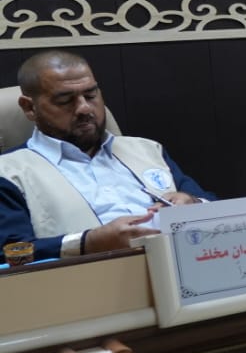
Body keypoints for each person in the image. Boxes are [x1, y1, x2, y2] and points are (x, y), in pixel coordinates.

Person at [0, 50, 212, 260]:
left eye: (90, 95)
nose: (84, 108)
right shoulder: (9, 173)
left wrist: (192, 203)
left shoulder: (147, 150)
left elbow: (212, 204)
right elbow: (10, 250)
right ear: (30, 108)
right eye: (65, 100)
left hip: (181, 266)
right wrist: (87, 244)